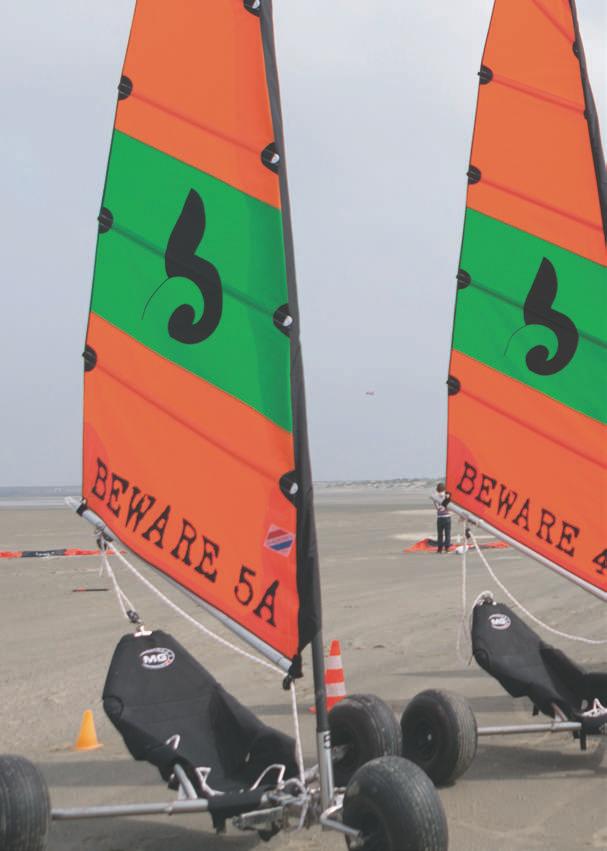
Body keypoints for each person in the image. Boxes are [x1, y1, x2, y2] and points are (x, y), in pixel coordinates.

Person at [431, 482, 452, 553]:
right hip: (447, 516)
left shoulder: (435, 497)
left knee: (440, 534)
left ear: (437, 489)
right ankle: (447, 548)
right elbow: (449, 505)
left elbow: (437, 507)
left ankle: (439, 548)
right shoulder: (447, 496)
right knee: (447, 533)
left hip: (439, 517)